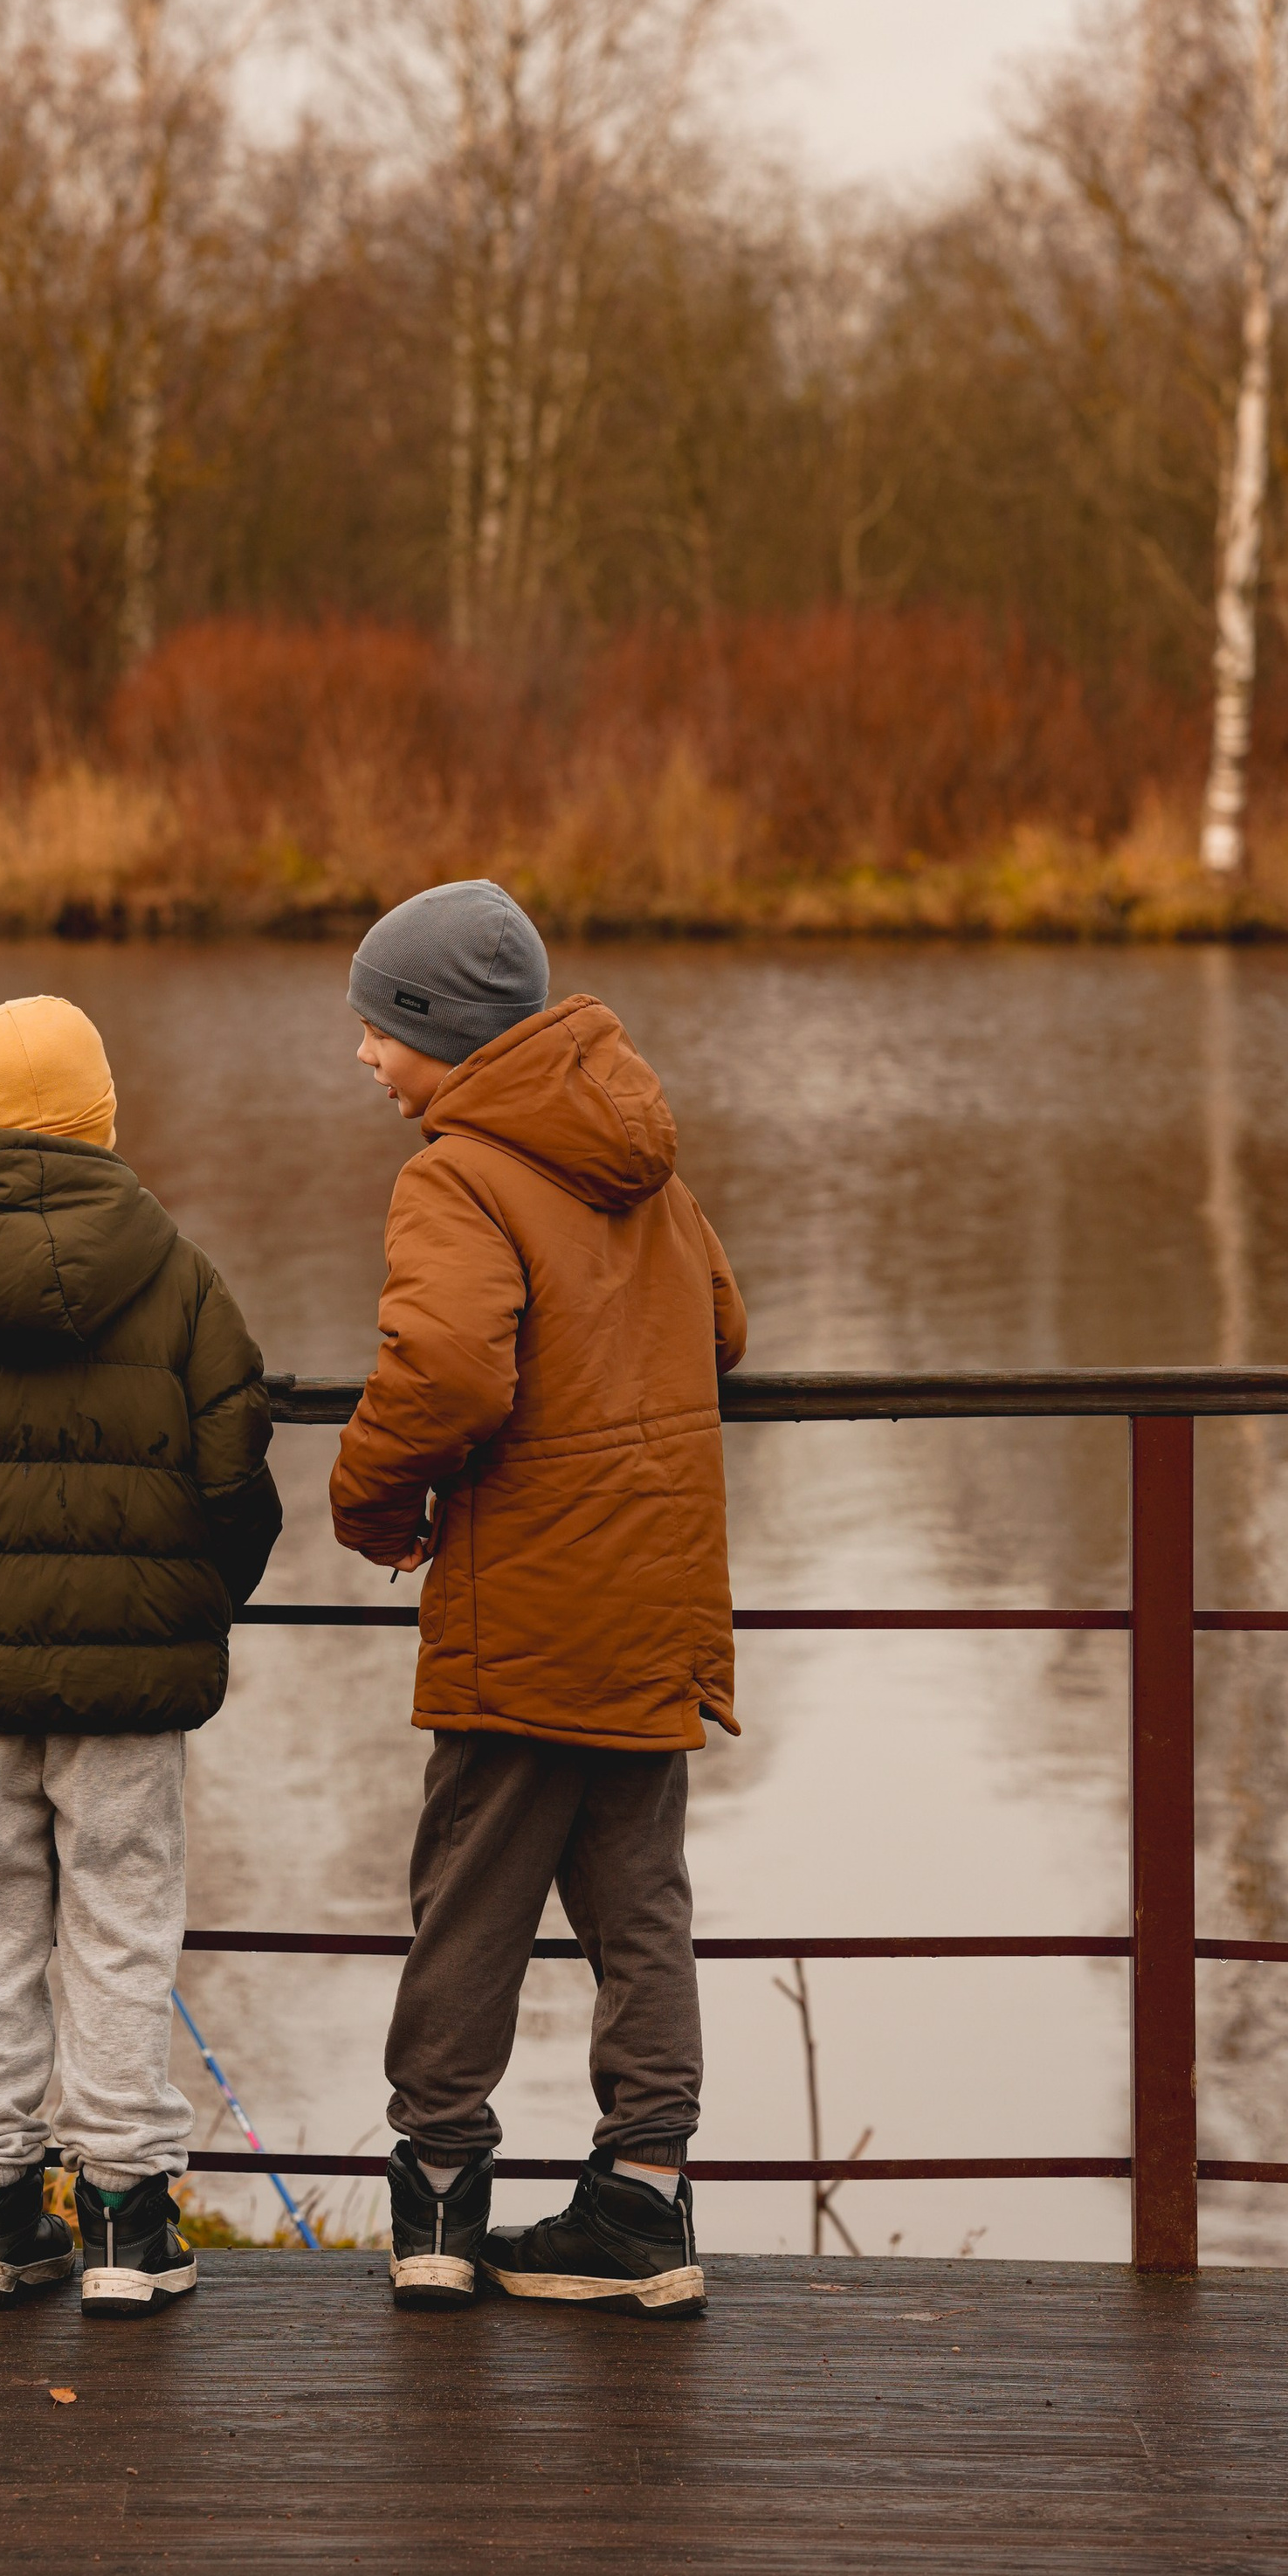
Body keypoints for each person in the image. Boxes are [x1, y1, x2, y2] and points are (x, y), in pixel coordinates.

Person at [0, 993, 280, 2317]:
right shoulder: (181, 1276)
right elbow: (233, 1470)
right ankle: (131, 2223)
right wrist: (190, 1604)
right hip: (130, 1683)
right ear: (100, 1115)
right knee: (122, 1926)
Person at [329, 881, 746, 2316]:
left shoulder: (460, 1174)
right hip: (654, 1594)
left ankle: (441, 2200)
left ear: (442, 1035)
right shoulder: (646, 1163)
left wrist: (371, 1503)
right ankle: (645, 2201)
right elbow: (725, 1326)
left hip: (528, 1600)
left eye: (382, 1029)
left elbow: (446, 1371)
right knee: (642, 1913)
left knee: (472, 1901)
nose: (369, 1058)